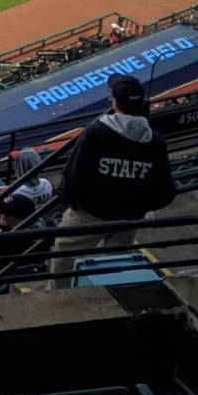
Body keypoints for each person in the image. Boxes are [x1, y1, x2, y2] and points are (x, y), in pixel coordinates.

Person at [54, 73, 175, 286]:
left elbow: (73, 174)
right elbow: (165, 190)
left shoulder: (97, 130)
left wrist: (72, 201)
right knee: (116, 265)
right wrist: (141, 208)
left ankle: (58, 299)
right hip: (128, 218)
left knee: (64, 254)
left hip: (90, 213)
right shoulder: (155, 140)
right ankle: (110, 300)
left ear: (114, 101)